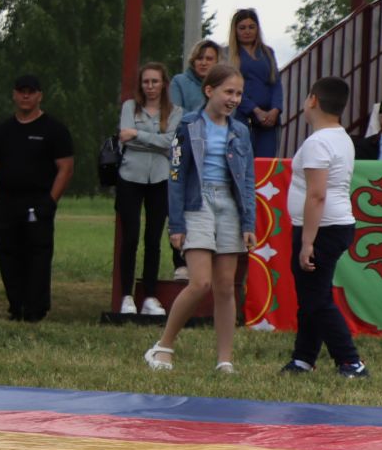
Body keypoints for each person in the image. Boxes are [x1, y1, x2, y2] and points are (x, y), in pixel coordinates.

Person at [144, 64, 256, 373]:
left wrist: (249, 223)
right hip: (198, 203)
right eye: (228, 92)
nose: (234, 99)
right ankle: (162, 346)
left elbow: (247, 179)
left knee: (224, 286)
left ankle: (224, 359)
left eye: (239, 93)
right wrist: (176, 224)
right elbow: (176, 176)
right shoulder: (188, 125)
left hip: (230, 206)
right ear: (209, 91)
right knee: (200, 282)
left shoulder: (240, 130)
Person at [280, 77, 368, 378]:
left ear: (313, 100)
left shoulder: (318, 143)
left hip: (322, 229)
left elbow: (316, 195)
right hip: (333, 226)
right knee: (311, 296)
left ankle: (350, 361)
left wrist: (307, 242)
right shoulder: (340, 136)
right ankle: (303, 358)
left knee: (317, 300)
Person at [0, 73, 76, 323]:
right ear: (14, 94)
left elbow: (66, 168)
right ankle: (16, 306)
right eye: (21, 91)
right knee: (8, 254)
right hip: (7, 203)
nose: (26, 96)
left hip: (38, 202)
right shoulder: (2, 131)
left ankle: (36, 309)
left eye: (31, 91)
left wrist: (51, 201)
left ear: (39, 96)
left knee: (37, 256)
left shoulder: (54, 130)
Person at [115, 62, 181, 318]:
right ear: (141, 84)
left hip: (160, 179)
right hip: (130, 176)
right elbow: (124, 136)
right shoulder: (130, 107)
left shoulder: (175, 111)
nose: (151, 87)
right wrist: (154, 141)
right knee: (130, 237)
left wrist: (139, 135)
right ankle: (126, 296)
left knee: (153, 238)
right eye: (146, 82)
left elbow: (170, 143)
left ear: (164, 83)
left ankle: (150, 296)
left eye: (155, 81)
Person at [229, 8, 282, 157]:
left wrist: (275, 109)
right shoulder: (229, 54)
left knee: (266, 163)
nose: (247, 31)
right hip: (242, 116)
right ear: (235, 30)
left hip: (269, 120)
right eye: (242, 28)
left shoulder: (267, 52)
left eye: (251, 27)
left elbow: (276, 84)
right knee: (243, 160)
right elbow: (231, 88)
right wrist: (255, 110)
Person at [170, 39, 222, 116]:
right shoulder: (179, 81)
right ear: (193, 61)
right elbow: (175, 112)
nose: (203, 63)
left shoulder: (223, 84)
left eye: (209, 59)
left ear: (217, 62)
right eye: (199, 58)